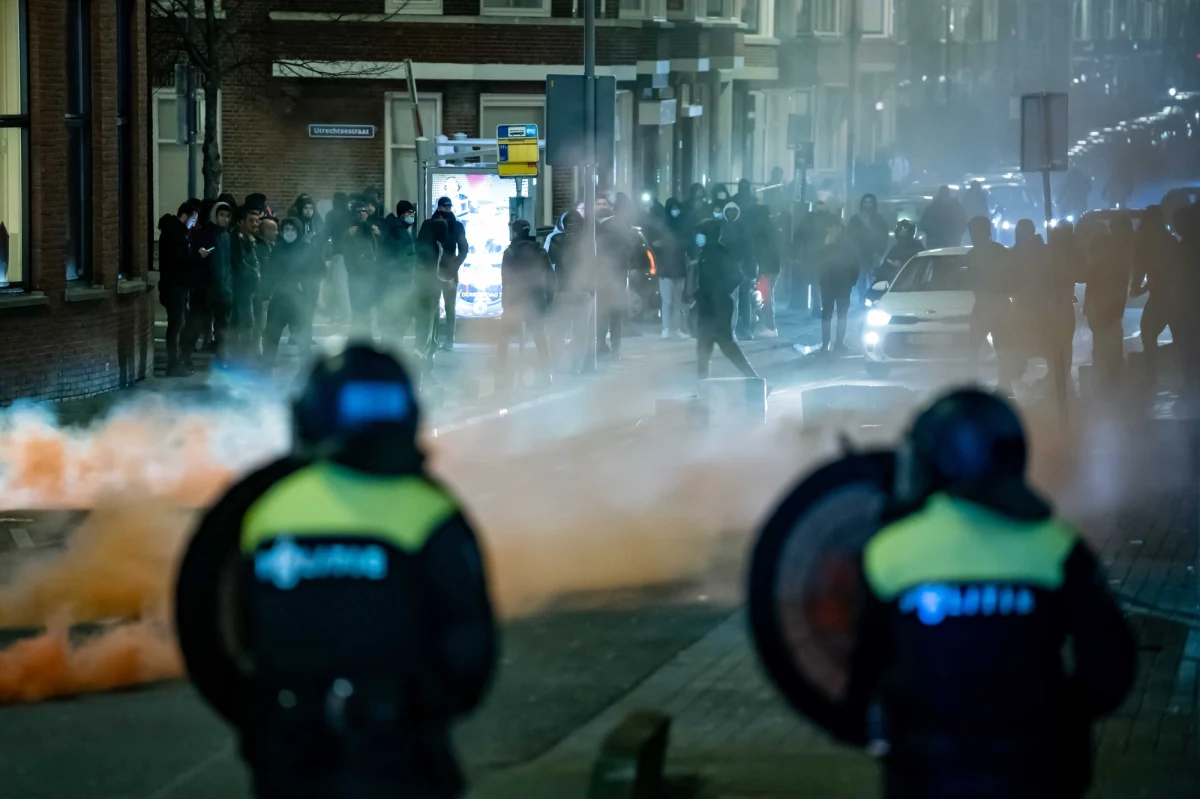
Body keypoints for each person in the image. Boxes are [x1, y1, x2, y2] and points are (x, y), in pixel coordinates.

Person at [175, 343, 497, 799]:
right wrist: (418, 712)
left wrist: (261, 716)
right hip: (402, 758)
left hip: (290, 755)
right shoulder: (430, 511)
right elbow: (470, 654)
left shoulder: (264, 509)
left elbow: (213, 630)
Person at [841, 388, 1135, 799]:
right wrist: (1057, 718)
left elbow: (860, 677)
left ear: (932, 460)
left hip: (926, 776)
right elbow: (1110, 673)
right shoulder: (1057, 548)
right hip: (1037, 773)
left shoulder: (889, 553)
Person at [687, 218, 760, 381]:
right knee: (704, 348)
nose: (698, 238)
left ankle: (755, 380)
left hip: (719, 307)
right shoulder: (705, 253)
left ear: (709, 235)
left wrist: (719, 291)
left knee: (726, 346)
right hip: (707, 306)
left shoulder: (719, 253)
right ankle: (702, 388)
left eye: (701, 234)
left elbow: (737, 276)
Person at [496, 219, 554, 388]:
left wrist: (505, 300)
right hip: (536, 299)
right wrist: (549, 298)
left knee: (505, 336)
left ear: (514, 233)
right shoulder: (540, 251)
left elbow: (505, 279)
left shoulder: (510, 252)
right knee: (539, 337)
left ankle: (501, 369)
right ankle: (546, 373)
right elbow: (550, 276)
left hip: (515, 299)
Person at [965, 216, 1016, 392]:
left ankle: (1004, 383)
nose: (973, 235)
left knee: (1002, 346)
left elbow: (1007, 277)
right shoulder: (973, 254)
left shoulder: (996, 252)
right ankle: (976, 384)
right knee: (975, 346)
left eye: (975, 231)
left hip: (996, 304)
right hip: (985, 304)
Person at [1131, 205, 1181, 381]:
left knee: (1148, 331)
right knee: (1179, 336)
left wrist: (1137, 286)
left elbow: (1143, 268)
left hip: (1163, 297)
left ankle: (1152, 374)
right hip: (1174, 296)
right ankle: (1184, 375)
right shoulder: (1169, 241)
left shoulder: (1150, 243)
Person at [261, 217, 318, 368]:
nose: (290, 233)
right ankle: (266, 368)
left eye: (293, 229)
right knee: (271, 337)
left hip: (299, 301)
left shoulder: (306, 249)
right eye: (287, 229)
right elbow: (269, 273)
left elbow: (314, 273)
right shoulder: (278, 248)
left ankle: (306, 372)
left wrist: (306, 291)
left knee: (302, 340)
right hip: (279, 300)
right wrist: (265, 296)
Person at [183, 200, 234, 367]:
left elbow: (227, 263)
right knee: (196, 322)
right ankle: (185, 354)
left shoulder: (226, 236)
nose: (224, 219)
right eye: (222, 215)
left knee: (222, 324)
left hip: (221, 288)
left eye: (227, 216)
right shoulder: (206, 233)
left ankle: (221, 354)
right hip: (205, 288)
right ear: (215, 215)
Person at [1083, 229, 1131, 390]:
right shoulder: (1104, 269)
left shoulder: (1109, 269)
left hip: (1107, 318)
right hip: (1104, 318)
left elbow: (1093, 294)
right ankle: (1110, 385)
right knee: (1105, 352)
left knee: (1107, 352)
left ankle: (1109, 385)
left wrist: (1092, 312)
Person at [158, 201, 199, 377]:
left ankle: (175, 363)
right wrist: (198, 256)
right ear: (185, 215)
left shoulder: (175, 232)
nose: (194, 223)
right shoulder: (175, 234)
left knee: (177, 325)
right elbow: (178, 261)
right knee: (175, 326)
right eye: (193, 218)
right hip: (174, 286)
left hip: (175, 286)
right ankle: (173, 364)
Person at [431, 196, 469, 351]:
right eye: (445, 207)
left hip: (447, 270)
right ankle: (435, 340)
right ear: (439, 207)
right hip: (436, 270)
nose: (447, 209)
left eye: (449, 207)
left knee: (449, 307)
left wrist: (455, 263)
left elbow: (464, 247)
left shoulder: (456, 226)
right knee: (434, 306)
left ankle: (448, 341)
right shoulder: (433, 224)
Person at [817, 222, 858, 354]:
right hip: (838, 284)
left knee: (831, 315)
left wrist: (851, 281)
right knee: (838, 315)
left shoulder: (834, 246)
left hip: (835, 284)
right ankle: (834, 343)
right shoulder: (845, 246)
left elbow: (854, 265)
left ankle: (830, 343)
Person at [342, 198, 382, 334]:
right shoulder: (350, 229)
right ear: (354, 214)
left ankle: (367, 336)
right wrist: (347, 235)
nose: (362, 214)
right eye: (359, 212)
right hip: (356, 274)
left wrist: (379, 235)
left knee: (368, 308)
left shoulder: (371, 228)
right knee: (358, 308)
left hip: (371, 273)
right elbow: (344, 250)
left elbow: (380, 248)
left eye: (365, 211)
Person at [719, 201, 757, 340]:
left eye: (733, 211)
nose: (730, 214)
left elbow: (749, 251)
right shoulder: (720, 227)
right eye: (728, 211)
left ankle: (744, 329)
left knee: (743, 301)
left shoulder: (743, 228)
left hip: (741, 270)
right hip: (725, 270)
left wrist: (750, 271)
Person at [229, 206, 264, 358]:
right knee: (246, 321)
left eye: (257, 221)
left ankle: (241, 353)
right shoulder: (237, 239)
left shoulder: (251, 239)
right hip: (242, 288)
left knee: (248, 321)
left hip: (251, 287)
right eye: (251, 221)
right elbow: (239, 263)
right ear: (241, 222)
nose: (255, 224)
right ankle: (242, 355)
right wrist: (254, 272)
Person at [656, 198, 690, 339]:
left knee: (677, 302)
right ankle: (665, 328)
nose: (676, 211)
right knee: (667, 301)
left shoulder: (683, 226)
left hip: (680, 270)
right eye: (673, 208)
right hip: (666, 271)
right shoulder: (662, 227)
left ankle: (675, 328)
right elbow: (656, 247)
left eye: (677, 208)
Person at [847, 193, 890, 305]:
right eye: (865, 202)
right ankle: (862, 301)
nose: (867, 205)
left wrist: (879, 253)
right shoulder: (855, 220)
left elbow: (883, 237)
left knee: (874, 280)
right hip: (859, 255)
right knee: (861, 280)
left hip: (873, 255)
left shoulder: (879, 220)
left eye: (870, 202)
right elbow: (850, 236)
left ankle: (873, 301)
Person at [878, 219, 922, 286]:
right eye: (901, 232)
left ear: (911, 233)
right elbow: (884, 268)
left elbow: (921, 267)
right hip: (895, 284)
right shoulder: (895, 249)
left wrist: (902, 266)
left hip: (914, 285)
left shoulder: (918, 248)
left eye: (906, 232)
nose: (903, 234)